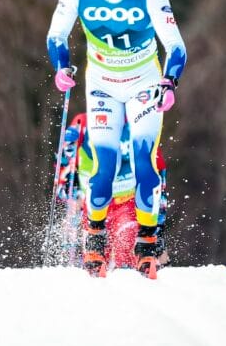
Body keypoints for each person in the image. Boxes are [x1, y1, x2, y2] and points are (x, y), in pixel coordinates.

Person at [46, 0, 186, 279]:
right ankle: (94, 238)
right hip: (103, 85)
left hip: (144, 83)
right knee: (104, 166)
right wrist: (61, 67)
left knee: (143, 161)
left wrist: (169, 82)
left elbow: (176, 45)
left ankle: (147, 242)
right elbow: (56, 35)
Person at [58, 113, 171, 271]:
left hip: (127, 205)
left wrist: (157, 227)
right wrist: (67, 151)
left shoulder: (138, 123)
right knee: (92, 265)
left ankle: (129, 275)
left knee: (125, 252)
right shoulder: (83, 124)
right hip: (92, 208)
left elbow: (156, 177)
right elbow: (63, 183)